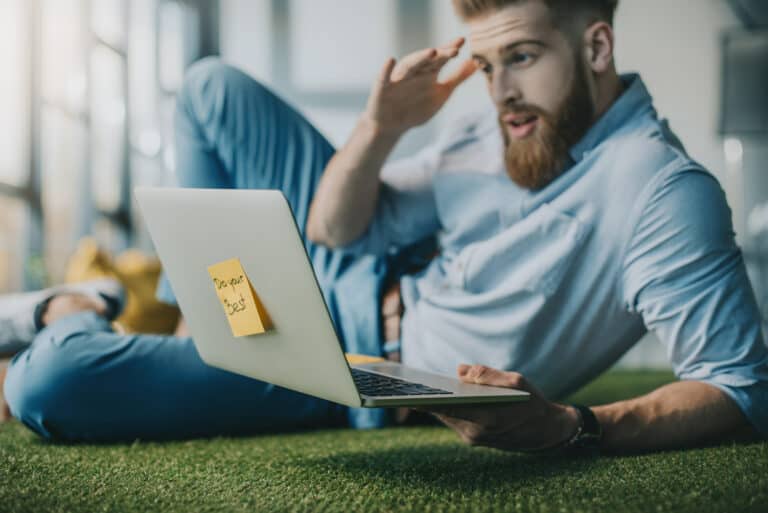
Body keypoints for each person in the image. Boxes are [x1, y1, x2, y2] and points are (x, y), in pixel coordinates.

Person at [2, 0, 766, 451]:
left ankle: (71, 309)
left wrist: (571, 425)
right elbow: (335, 231)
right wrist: (379, 126)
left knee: (49, 377)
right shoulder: (489, 128)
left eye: (523, 57)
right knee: (211, 90)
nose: (501, 92)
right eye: (489, 63)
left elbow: (740, 387)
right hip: (350, 276)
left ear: (596, 45)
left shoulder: (661, 190)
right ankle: (169, 318)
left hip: (359, 369)